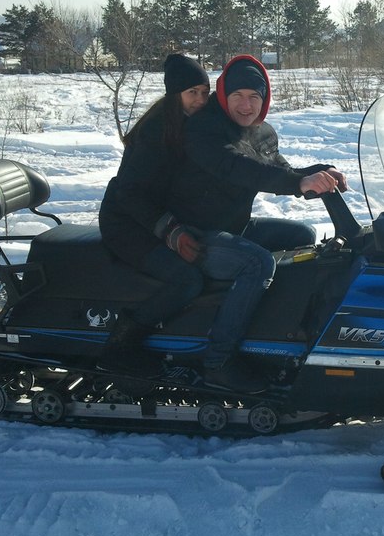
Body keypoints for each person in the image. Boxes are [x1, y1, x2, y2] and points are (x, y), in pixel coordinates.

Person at [169, 54, 347, 392]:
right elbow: (237, 168)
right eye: (237, 95)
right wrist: (299, 184)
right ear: (223, 95)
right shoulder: (204, 128)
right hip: (195, 233)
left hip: (233, 225)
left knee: (301, 235)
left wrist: (320, 173)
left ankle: (273, 331)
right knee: (258, 263)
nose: (246, 105)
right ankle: (218, 360)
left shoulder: (260, 131)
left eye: (255, 96)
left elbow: (277, 168)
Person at [96, 53, 211, 378]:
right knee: (187, 279)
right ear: (176, 95)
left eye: (205, 92)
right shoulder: (156, 132)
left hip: (154, 218)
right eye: (193, 93)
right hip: (127, 224)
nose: (200, 100)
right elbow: (129, 194)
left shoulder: (187, 122)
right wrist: (171, 232)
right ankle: (120, 345)